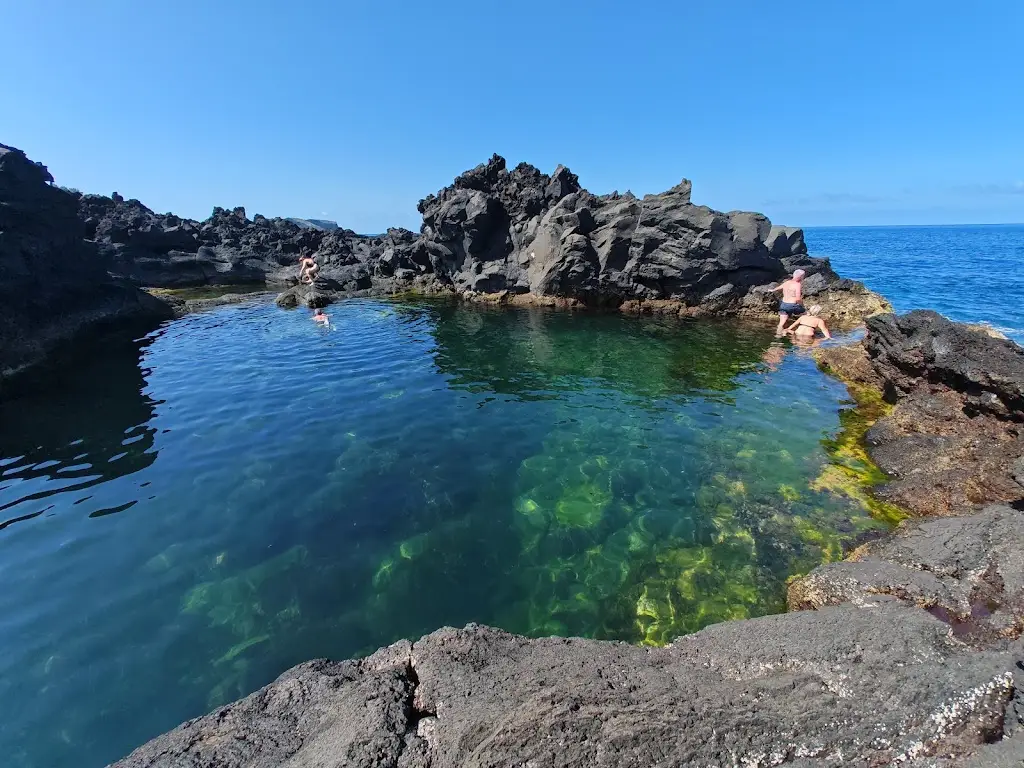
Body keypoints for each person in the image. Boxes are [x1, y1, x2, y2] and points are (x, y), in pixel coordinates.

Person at [770, 269, 806, 334]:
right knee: (806, 313)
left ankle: (778, 337)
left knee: (781, 323)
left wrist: (772, 290)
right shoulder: (797, 285)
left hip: (783, 305)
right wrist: (802, 305)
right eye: (803, 276)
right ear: (800, 277)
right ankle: (803, 331)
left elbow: (779, 287)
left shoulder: (787, 282)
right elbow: (798, 298)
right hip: (792, 306)